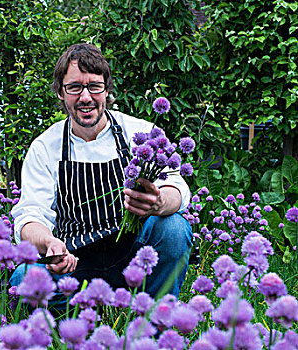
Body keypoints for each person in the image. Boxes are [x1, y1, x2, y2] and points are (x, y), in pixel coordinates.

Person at [10, 43, 193, 298]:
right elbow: (30, 217)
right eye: (74, 87)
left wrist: (160, 201)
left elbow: (177, 186)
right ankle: (90, 311)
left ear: (106, 89)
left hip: (135, 260)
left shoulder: (137, 133)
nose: (85, 97)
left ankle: (153, 317)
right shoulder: (45, 147)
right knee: (22, 280)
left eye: (94, 87)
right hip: (75, 264)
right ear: (61, 93)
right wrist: (50, 244)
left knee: (173, 228)